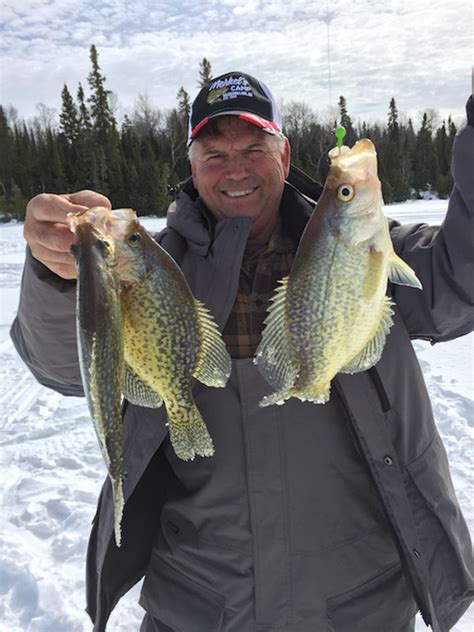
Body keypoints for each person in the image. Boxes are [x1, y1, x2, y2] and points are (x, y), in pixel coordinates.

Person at [11, 71, 474, 632]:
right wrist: (63, 275)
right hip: (200, 601)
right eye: (215, 152)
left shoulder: (374, 249)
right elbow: (65, 368)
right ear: (192, 163)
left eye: (254, 147)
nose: (235, 168)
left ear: (284, 155)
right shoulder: (151, 268)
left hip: (361, 598)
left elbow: (460, 283)